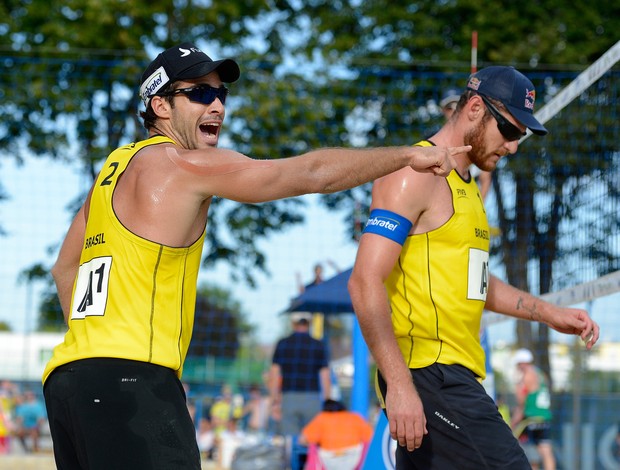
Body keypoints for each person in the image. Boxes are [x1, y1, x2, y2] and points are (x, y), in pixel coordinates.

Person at [42, 41, 468, 470]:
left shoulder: (113, 170)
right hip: (132, 378)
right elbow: (309, 174)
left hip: (70, 381)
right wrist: (407, 155)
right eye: (200, 94)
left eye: (221, 95)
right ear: (161, 106)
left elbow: (65, 267)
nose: (217, 106)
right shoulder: (179, 163)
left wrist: (95, 347)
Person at [348, 65, 600, 469]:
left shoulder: (466, 188)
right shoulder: (413, 174)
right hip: (430, 374)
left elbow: (475, 284)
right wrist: (399, 385)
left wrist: (551, 313)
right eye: (511, 131)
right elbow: (364, 281)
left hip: (450, 374)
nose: (514, 147)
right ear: (476, 108)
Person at [269, 312, 330, 438]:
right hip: (312, 397)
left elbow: (274, 373)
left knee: (290, 441)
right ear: (310, 323)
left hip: (289, 396)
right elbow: (325, 376)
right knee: (312, 440)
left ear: (293, 323)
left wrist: (274, 400)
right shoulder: (318, 345)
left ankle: (292, 458)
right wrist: (328, 401)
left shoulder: (283, 344)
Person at [512, 349, 556, 470]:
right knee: (546, 453)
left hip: (530, 419)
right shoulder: (540, 374)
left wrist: (513, 423)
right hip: (544, 418)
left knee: (531, 456)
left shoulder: (526, 376)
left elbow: (521, 403)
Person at [299, 399, 373, 470]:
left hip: (329, 459)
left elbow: (302, 440)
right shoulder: (355, 417)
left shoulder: (322, 418)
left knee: (313, 446)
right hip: (354, 459)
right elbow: (370, 438)